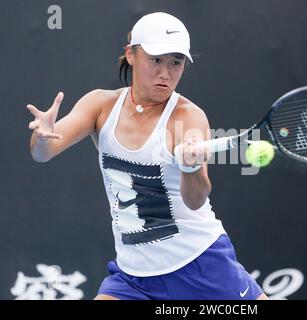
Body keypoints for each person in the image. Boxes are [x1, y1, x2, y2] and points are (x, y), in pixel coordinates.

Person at [27, 12, 267, 300]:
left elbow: (195, 200)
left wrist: (191, 166)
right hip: (134, 276)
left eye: (175, 62)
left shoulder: (187, 117)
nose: (166, 73)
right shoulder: (101, 105)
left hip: (199, 264)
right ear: (131, 54)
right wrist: (41, 137)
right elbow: (43, 153)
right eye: (156, 60)